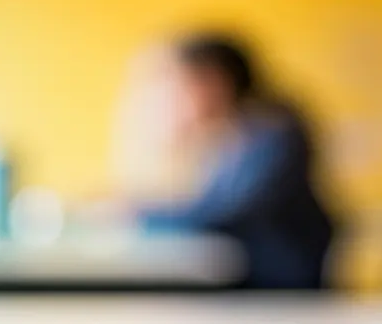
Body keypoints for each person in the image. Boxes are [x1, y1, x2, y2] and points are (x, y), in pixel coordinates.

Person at [133, 35, 334, 289]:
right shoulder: (236, 131)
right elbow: (206, 205)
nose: (178, 99)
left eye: (184, 85)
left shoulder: (271, 130)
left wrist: (139, 214)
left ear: (214, 81)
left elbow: (223, 212)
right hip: (254, 279)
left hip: (281, 288)